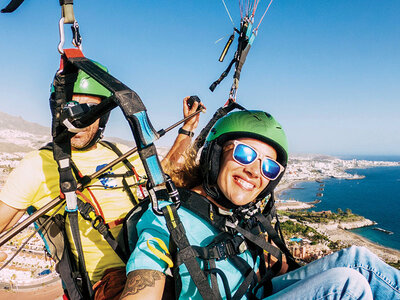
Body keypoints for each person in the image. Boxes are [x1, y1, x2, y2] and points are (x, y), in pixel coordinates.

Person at [121, 110, 400, 300]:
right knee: (347, 285)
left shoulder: (239, 214)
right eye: (245, 153)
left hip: (257, 291)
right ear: (215, 154)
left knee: (358, 260)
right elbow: (144, 281)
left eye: (269, 166)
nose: (255, 172)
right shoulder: (168, 215)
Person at [0, 62, 203, 298]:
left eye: (89, 109)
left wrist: (187, 128)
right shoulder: (38, 166)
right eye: (68, 106)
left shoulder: (120, 153)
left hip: (154, 260)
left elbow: (163, 175)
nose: (76, 118)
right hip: (110, 283)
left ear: (103, 115)